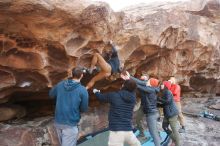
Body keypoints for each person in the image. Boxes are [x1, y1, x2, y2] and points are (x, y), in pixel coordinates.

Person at [93, 79, 141, 146]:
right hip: (128, 130)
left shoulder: (114, 95)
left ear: (123, 85)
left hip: (116, 130)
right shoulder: (133, 98)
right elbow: (132, 89)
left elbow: (101, 97)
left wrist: (95, 91)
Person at [49, 67, 89, 146]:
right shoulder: (83, 90)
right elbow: (84, 109)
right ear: (81, 75)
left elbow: (51, 94)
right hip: (70, 124)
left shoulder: (60, 84)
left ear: (72, 74)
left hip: (58, 122)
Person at [121, 72, 161, 146]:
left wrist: (128, 79)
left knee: (154, 134)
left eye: (148, 80)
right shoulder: (150, 87)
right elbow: (139, 82)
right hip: (151, 112)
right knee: (153, 132)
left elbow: (137, 86)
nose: (147, 81)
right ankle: (148, 136)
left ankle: (158, 141)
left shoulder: (150, 90)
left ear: (150, 83)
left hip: (151, 114)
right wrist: (130, 77)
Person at [158, 81, 180, 146]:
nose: (160, 86)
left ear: (165, 86)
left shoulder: (167, 92)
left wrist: (158, 99)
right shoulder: (164, 92)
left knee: (174, 130)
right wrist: (157, 104)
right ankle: (174, 139)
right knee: (164, 126)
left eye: (162, 84)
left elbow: (168, 101)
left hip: (172, 114)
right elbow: (165, 104)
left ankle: (177, 144)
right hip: (167, 114)